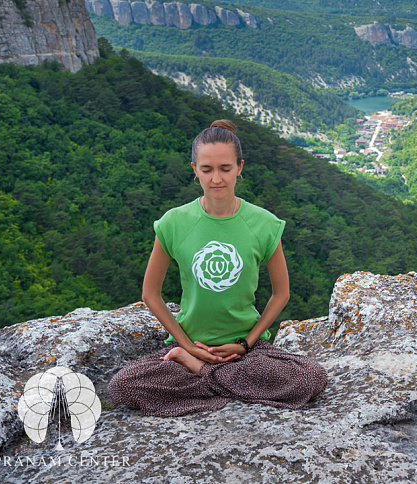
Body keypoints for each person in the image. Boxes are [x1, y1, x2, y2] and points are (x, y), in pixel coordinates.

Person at [108, 120, 327, 416]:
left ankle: (201, 374)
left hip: (246, 352)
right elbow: (150, 293)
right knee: (123, 386)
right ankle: (221, 379)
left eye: (225, 168)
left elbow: (281, 293)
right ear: (194, 169)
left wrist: (245, 345)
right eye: (207, 169)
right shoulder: (174, 222)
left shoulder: (263, 223)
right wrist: (188, 347)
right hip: (189, 345)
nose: (216, 179)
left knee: (310, 378)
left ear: (240, 167)